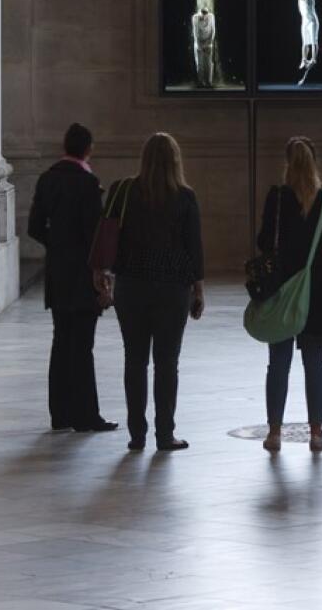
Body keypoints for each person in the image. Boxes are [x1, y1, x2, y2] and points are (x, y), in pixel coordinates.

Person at [97, 132, 205, 452]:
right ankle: (164, 433)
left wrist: (101, 272)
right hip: (172, 289)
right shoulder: (185, 197)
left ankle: (137, 434)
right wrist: (198, 289)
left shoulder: (123, 190)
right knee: (167, 363)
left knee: (135, 360)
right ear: (175, 161)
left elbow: (105, 233)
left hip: (131, 286)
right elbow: (193, 249)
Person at [27, 122, 117, 434]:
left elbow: (35, 227)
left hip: (57, 273)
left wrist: (58, 245)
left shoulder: (47, 179)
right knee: (83, 346)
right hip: (83, 275)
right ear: (88, 149)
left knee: (61, 342)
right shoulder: (88, 184)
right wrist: (103, 273)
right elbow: (96, 235)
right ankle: (86, 416)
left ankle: (60, 414)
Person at [258, 136, 322, 454]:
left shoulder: (276, 198)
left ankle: (275, 433)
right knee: (315, 363)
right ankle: (316, 432)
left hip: (281, 287)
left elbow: (264, 241)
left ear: (287, 163)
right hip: (316, 290)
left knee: (278, 362)